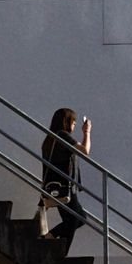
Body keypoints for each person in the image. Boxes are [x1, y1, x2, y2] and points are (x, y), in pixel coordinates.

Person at [38, 107, 92, 251]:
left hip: (56, 187)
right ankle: (58, 250)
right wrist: (87, 132)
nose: (75, 125)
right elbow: (85, 151)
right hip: (65, 187)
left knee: (75, 219)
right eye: (73, 122)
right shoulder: (62, 135)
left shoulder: (50, 138)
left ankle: (50, 239)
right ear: (66, 122)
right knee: (76, 219)